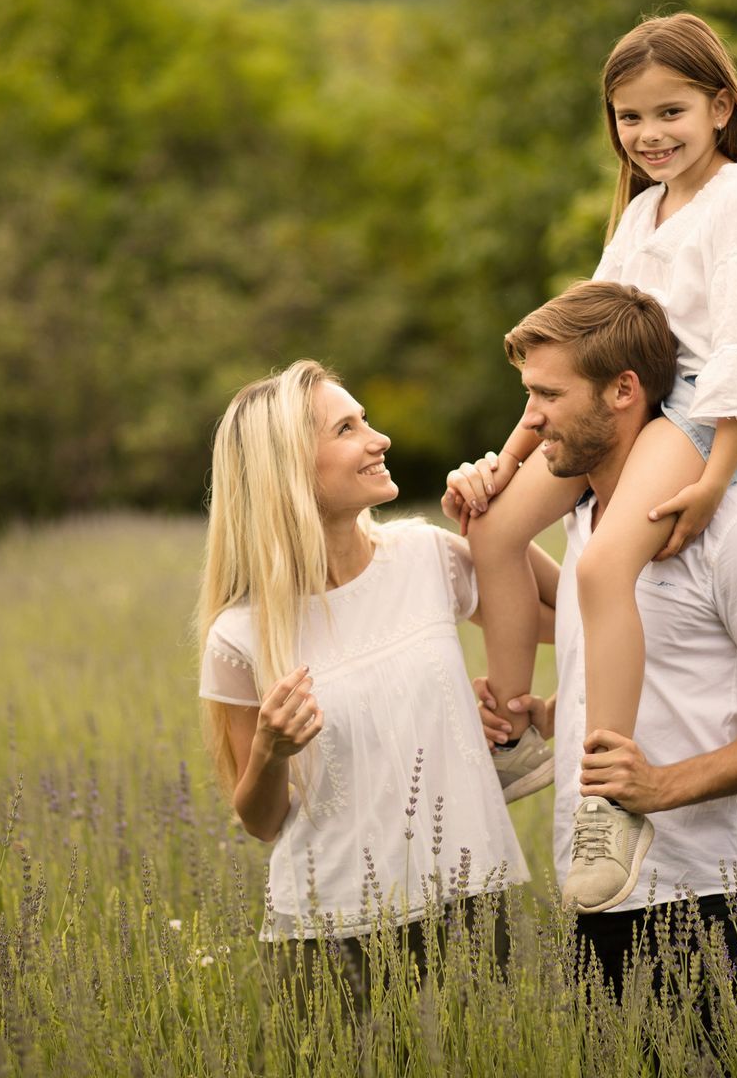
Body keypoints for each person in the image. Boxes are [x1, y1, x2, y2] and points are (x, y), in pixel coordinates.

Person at [452, 13, 737, 913]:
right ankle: (512, 733)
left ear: (721, 107)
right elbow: (571, 348)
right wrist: (507, 460)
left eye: (672, 112)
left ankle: (609, 801)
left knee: (607, 564)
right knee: (491, 531)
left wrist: (714, 472)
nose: (651, 136)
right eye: (630, 119)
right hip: (631, 400)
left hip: (705, 413)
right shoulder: (643, 214)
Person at [445, 280, 737, 1018]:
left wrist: (661, 787)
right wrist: (544, 714)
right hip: (595, 898)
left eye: (547, 396)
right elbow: (556, 618)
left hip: (711, 905)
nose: (527, 423)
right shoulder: (589, 528)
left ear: (624, 390)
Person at [197, 360, 556, 1006]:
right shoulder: (240, 635)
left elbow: (574, 610)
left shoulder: (424, 558)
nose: (378, 438)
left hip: (470, 910)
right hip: (328, 942)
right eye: (347, 428)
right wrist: (270, 752)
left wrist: (496, 519)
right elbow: (259, 818)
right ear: (290, 470)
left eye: (366, 420)